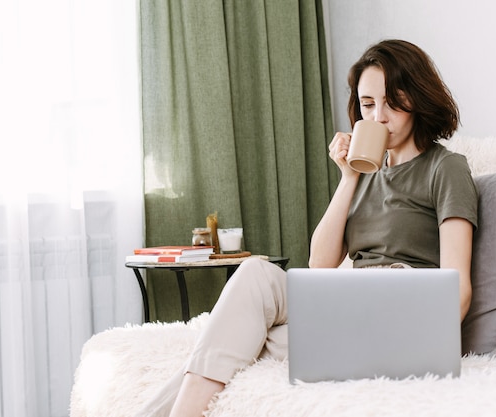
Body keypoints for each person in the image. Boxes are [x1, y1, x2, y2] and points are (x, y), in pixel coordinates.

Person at [136, 39, 478, 417]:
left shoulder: (446, 168)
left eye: (392, 101)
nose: (379, 116)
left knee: (245, 305)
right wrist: (348, 177)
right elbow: (320, 264)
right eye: (367, 105)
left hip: (398, 309)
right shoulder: (364, 175)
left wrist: (418, 342)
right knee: (241, 327)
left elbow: (458, 288)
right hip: (346, 307)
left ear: (416, 97)